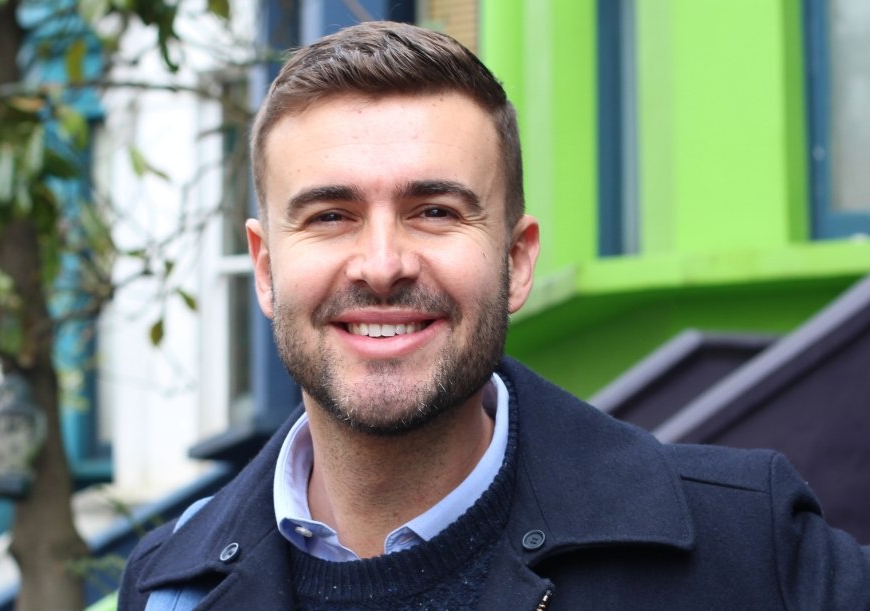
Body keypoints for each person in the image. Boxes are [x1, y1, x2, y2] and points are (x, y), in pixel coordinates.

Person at [119, 21, 870, 610]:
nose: (382, 262)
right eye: (330, 215)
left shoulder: (745, 549)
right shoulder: (167, 586)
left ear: (515, 260)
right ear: (264, 268)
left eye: (435, 210)